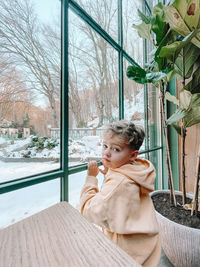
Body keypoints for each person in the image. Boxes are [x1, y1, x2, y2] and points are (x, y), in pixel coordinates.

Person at [80, 120, 161, 266]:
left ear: (132, 155)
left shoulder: (118, 184)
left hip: (125, 254)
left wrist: (91, 179)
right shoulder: (136, 170)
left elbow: (88, 210)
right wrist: (110, 174)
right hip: (142, 244)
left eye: (116, 149)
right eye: (105, 146)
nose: (107, 153)